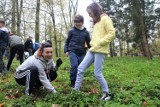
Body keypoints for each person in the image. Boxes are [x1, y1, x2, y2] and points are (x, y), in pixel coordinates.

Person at [74, 2, 115, 101]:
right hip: (92, 49)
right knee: (80, 69)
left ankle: (107, 93)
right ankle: (75, 92)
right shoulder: (96, 22)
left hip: (100, 50)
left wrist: (100, 42)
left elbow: (112, 34)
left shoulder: (106, 19)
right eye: (88, 13)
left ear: (95, 10)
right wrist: (93, 43)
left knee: (97, 73)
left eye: (90, 12)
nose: (89, 15)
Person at [64, 15, 91, 87]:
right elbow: (67, 41)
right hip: (72, 51)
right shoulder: (71, 31)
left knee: (80, 68)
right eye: (76, 22)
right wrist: (66, 50)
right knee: (74, 65)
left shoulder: (86, 33)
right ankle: (73, 81)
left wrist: (92, 50)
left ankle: (78, 82)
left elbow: (89, 43)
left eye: (79, 22)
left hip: (82, 52)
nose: (77, 24)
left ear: (82, 22)